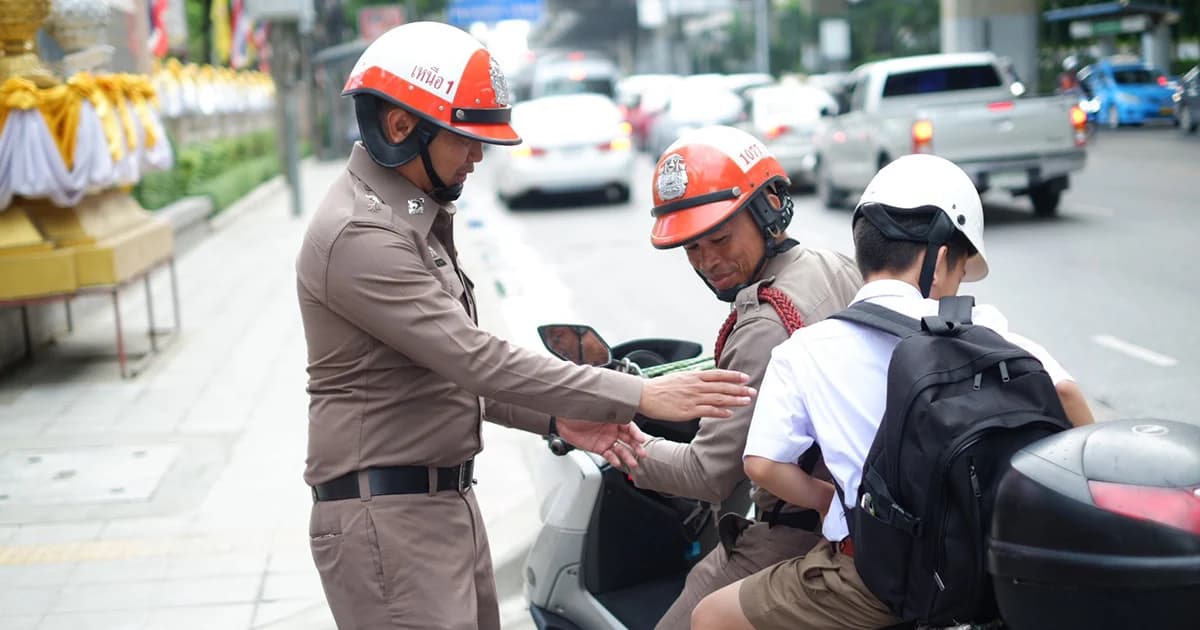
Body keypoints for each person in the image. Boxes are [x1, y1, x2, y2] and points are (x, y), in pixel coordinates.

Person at [295, 22, 757, 630]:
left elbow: (438, 374)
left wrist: (554, 417)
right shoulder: (362, 235)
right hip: (388, 518)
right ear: (403, 128)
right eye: (464, 138)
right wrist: (642, 393)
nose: (477, 156)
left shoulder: (407, 216)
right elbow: (474, 358)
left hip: (437, 504)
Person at [690, 153, 1095, 630]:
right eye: (963, 272)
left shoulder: (807, 349)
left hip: (874, 580)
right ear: (943, 257)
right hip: (988, 564)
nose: (959, 285)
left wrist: (825, 501)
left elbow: (760, 464)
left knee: (711, 615)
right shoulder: (987, 329)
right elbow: (1066, 395)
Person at [566, 126, 862, 629]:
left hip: (792, 538)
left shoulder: (765, 319)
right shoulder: (832, 266)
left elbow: (708, 475)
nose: (708, 262)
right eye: (691, 249)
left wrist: (621, 445)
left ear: (769, 210)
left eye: (720, 238)